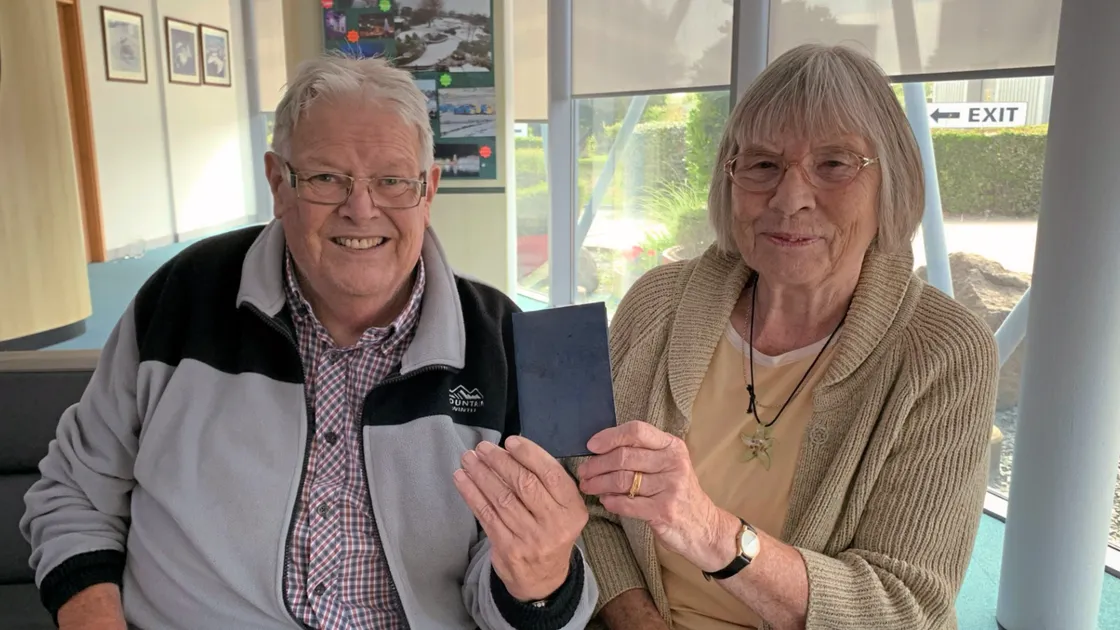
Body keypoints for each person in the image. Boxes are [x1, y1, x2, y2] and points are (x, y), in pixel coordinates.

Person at [20, 55, 596, 630]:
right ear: (279, 183)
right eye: (327, 177)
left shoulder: (510, 342)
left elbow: (550, 581)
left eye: (392, 180)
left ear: (428, 190)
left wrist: (537, 583)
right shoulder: (182, 298)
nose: (360, 208)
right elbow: (74, 493)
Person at [574, 44, 999, 630]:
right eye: (764, 165)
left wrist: (711, 532)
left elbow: (905, 610)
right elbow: (589, 502)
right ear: (731, 179)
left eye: (834, 164)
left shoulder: (944, 353)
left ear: (891, 180)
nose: (790, 198)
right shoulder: (657, 304)